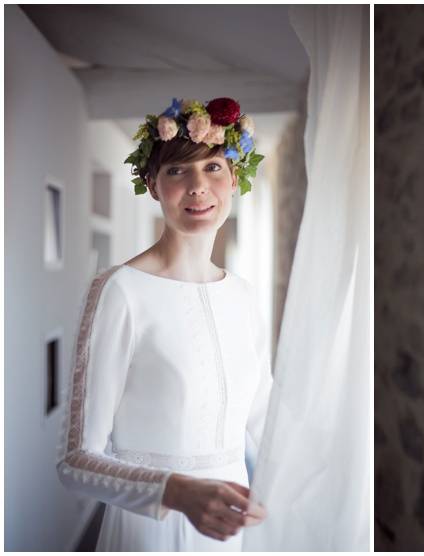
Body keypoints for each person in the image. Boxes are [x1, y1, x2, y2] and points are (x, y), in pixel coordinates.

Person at [55, 97, 271, 551]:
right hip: (151, 529)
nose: (198, 186)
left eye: (213, 167)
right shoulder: (120, 290)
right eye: (177, 171)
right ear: (153, 185)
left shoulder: (245, 296)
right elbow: (75, 459)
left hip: (233, 529)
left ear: (234, 178)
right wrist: (176, 491)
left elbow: (264, 417)